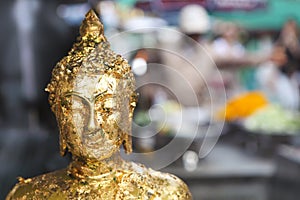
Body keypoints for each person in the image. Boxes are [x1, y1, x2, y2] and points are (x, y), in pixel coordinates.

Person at [6, 10, 191, 199]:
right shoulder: (27, 196)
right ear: (58, 114)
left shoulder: (166, 194)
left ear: (128, 111)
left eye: (106, 109)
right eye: (78, 110)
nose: (92, 126)